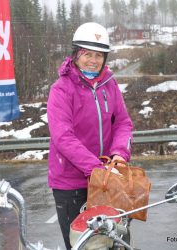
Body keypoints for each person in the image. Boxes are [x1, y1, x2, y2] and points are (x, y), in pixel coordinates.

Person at [47, 22, 133, 250]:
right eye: (87, 54)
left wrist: (119, 154)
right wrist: (95, 168)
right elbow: (63, 137)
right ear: (76, 54)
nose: (93, 60)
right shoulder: (61, 89)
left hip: (106, 180)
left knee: (116, 241)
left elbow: (123, 123)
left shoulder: (110, 85)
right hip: (70, 183)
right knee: (82, 245)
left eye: (99, 55)